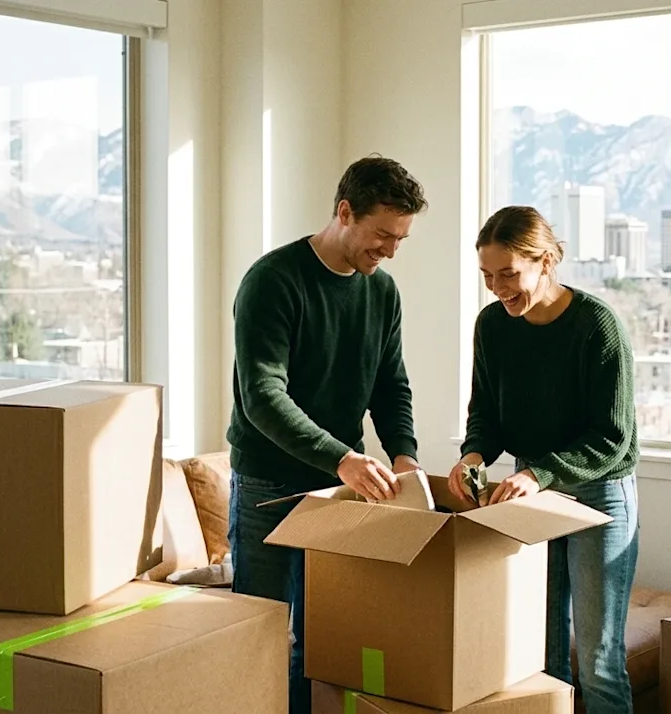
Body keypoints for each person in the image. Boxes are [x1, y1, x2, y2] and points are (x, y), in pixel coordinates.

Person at [226, 155, 428, 714]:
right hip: (269, 485)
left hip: (342, 493)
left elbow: (391, 385)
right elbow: (262, 397)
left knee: (323, 645)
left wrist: (404, 455)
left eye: (400, 238)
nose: (389, 250)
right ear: (345, 212)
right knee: (259, 636)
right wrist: (342, 458)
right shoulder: (273, 281)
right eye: (383, 235)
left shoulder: (381, 292)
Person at [448, 205, 640, 714]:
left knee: (598, 661)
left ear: (547, 261)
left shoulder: (597, 327)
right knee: (539, 651)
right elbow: (486, 413)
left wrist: (537, 474)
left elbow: (612, 437)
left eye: (508, 274)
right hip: (531, 491)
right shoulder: (492, 325)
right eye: (488, 275)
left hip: (599, 493)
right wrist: (473, 454)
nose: (497, 287)